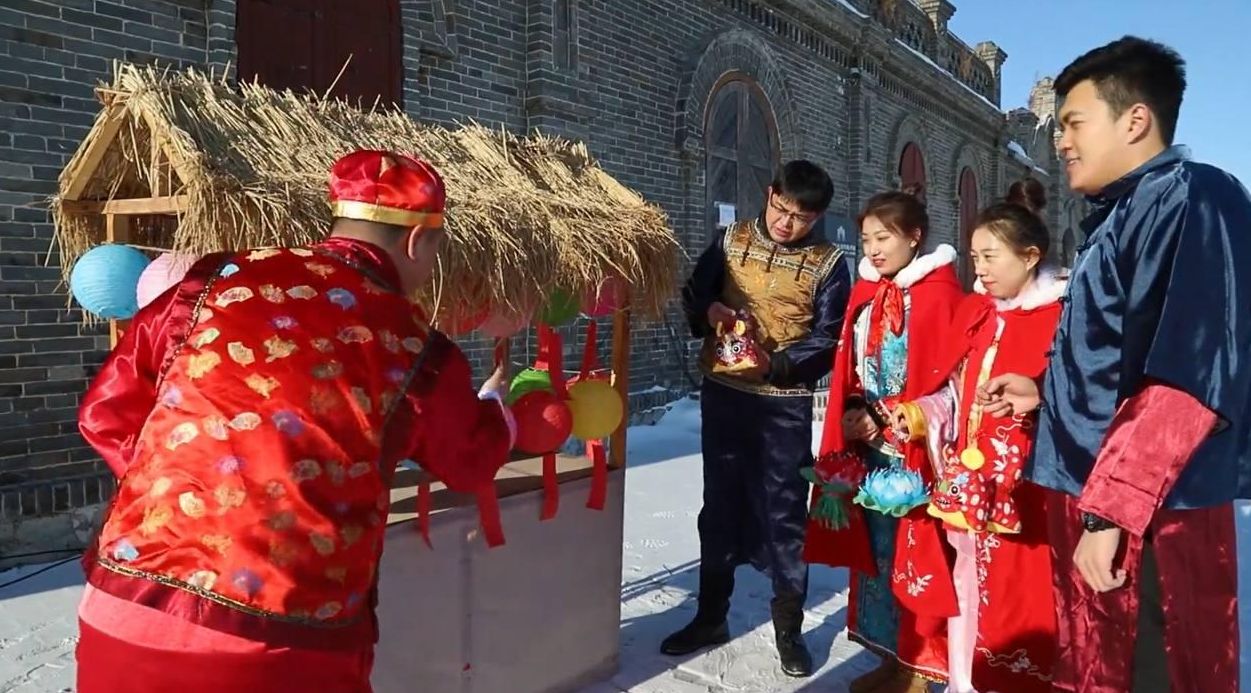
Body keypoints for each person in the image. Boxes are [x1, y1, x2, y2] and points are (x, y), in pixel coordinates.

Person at [74, 149, 515, 693]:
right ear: (417, 241)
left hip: (123, 610)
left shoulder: (214, 281)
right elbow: (469, 462)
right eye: (435, 253)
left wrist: (182, 478)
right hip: (279, 641)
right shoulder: (414, 344)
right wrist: (499, 409)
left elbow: (106, 412)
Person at [1004, 36, 1251, 693]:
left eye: (1073, 122)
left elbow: (1190, 375)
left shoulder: (1193, 196)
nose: (1060, 140)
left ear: (1134, 119)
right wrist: (1044, 393)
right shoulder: (1119, 214)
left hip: (1151, 520)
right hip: (1097, 502)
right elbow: (1115, 356)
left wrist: (1108, 514)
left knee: (1149, 672)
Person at [663, 160, 851, 677]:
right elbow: (696, 293)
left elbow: (829, 336)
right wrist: (713, 315)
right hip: (724, 395)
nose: (787, 224)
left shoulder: (829, 263)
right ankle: (710, 616)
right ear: (768, 194)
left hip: (783, 404)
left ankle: (788, 630)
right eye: (781, 209)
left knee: (785, 514)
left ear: (819, 219)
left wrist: (778, 362)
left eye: (801, 218)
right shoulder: (731, 240)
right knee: (718, 507)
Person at [892, 180, 1060, 693]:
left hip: (1029, 498)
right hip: (969, 493)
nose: (979, 268)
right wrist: (921, 413)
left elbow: (1082, 405)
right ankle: (965, 683)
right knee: (965, 590)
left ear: (1030, 257)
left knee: (1020, 604)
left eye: (989, 256)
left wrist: (1039, 399)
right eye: (973, 256)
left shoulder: (1060, 320)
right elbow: (955, 392)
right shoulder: (979, 314)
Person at [803, 187, 962, 693]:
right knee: (876, 557)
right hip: (869, 451)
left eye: (884, 237)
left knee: (916, 557)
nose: (872, 248)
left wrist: (893, 417)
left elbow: (952, 382)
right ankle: (893, 656)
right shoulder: (867, 291)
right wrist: (852, 410)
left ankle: (920, 665)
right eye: (867, 238)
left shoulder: (941, 298)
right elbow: (852, 365)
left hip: (914, 453)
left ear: (914, 237)